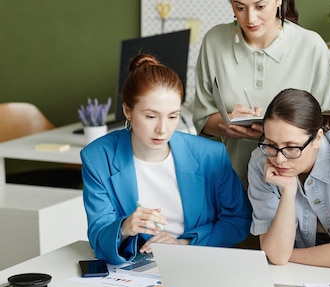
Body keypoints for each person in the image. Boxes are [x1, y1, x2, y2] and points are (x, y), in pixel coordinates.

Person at [82, 54, 251, 265]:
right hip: (135, 268)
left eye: (172, 116)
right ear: (128, 111)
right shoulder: (98, 158)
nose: (162, 129)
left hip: (199, 262)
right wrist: (125, 227)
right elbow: (98, 236)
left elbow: (238, 220)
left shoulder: (211, 155)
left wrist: (183, 244)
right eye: (151, 116)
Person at [193, 0, 330, 186]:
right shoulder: (214, 42)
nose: (250, 19)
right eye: (240, 7)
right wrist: (227, 124)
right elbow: (201, 119)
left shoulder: (311, 46)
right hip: (231, 184)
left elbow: (326, 125)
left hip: (294, 185)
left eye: (260, 6)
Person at [247, 89, 330, 269]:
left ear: (317, 138)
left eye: (291, 147)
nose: (279, 159)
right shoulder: (260, 162)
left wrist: (284, 254)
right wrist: (288, 191)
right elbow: (276, 254)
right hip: (303, 271)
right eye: (271, 144)